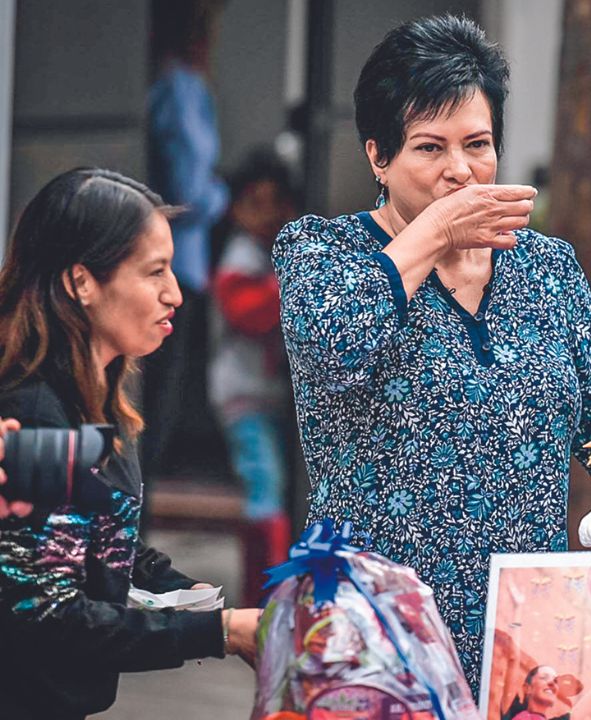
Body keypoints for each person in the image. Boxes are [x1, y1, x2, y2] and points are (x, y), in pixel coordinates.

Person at [275, 15, 591, 688]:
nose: (461, 171)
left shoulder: (546, 267)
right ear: (378, 155)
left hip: (526, 637)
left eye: (479, 145)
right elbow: (332, 346)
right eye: (430, 148)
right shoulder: (320, 253)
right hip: (376, 634)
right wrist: (433, 234)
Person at [0, 168, 261, 720]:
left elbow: (110, 552)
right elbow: (51, 615)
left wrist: (218, 608)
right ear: (81, 283)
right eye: (154, 272)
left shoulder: (98, 401)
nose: (175, 293)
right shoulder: (37, 419)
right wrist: (219, 632)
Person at [209, 148, 298, 604]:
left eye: (275, 202)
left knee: (270, 490)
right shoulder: (241, 256)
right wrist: (292, 283)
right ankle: (267, 597)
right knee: (264, 488)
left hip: (270, 394)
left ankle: (263, 593)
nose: (266, 214)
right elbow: (252, 315)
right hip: (244, 394)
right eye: (254, 203)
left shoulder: (266, 251)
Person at [144, 0, 229, 474]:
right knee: (155, 410)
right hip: (177, 259)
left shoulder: (162, 83)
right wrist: (223, 194)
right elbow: (191, 193)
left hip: (172, 260)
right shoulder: (182, 89)